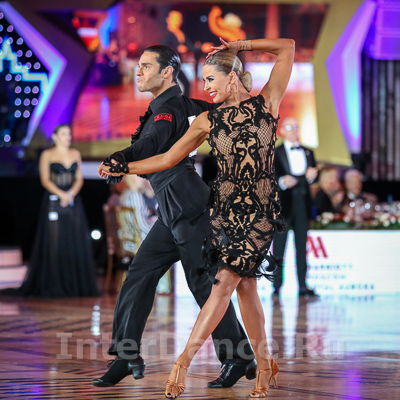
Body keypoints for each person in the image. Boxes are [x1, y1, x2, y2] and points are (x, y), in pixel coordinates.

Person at [99, 36, 294, 398]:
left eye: (210, 80)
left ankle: (185, 364)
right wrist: (123, 166)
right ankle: (258, 362)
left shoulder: (266, 102)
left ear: (231, 78)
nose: (205, 88)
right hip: (223, 212)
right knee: (242, 288)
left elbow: (288, 47)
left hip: (255, 214)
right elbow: (166, 158)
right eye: (202, 81)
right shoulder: (207, 119)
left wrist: (239, 46)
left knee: (220, 285)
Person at [1, 124, 99, 297]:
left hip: (72, 200)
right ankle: (54, 284)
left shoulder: (75, 154)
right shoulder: (47, 154)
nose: (68, 137)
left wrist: (70, 194)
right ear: (55, 137)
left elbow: (79, 179)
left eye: (69, 134)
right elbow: (45, 180)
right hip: (54, 200)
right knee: (54, 241)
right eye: (64, 134)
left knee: (74, 239)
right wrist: (61, 194)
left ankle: (73, 284)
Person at [273, 117, 319, 298]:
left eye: (295, 127)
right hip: (283, 204)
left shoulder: (308, 152)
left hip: (302, 202)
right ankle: (277, 286)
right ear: (282, 131)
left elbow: (313, 175)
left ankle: (303, 285)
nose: (293, 130)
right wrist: (282, 181)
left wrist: (312, 176)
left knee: (302, 246)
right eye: (289, 127)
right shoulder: (275, 152)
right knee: (279, 247)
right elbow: (268, 176)